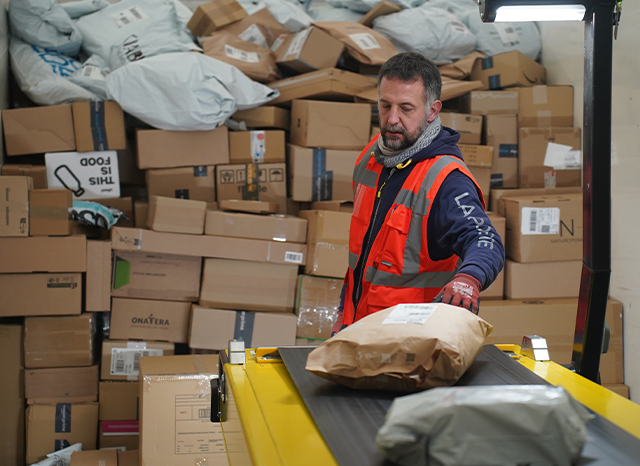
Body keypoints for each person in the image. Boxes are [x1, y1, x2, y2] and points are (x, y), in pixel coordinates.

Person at [332, 52, 505, 335]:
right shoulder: (371, 158)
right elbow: (362, 260)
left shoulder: (447, 180)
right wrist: (343, 313)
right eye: (385, 106)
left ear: (432, 111)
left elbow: (485, 239)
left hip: (412, 341)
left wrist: (469, 279)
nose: (392, 119)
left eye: (406, 108)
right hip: (359, 331)